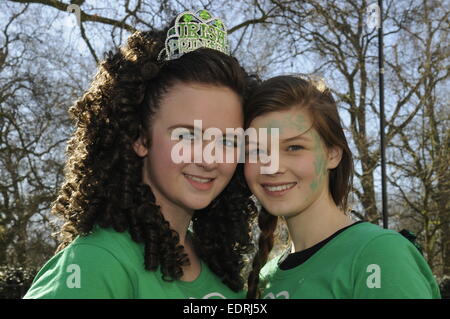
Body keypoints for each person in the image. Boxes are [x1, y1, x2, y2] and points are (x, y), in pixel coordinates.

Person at [24, 9, 257, 299]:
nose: (208, 159)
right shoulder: (96, 262)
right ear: (140, 137)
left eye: (227, 140)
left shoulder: (219, 270)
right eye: (187, 135)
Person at [244, 75, 441, 299]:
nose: (272, 167)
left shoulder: (378, 254)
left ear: (332, 154)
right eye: (256, 151)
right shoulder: (266, 277)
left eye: (294, 147)